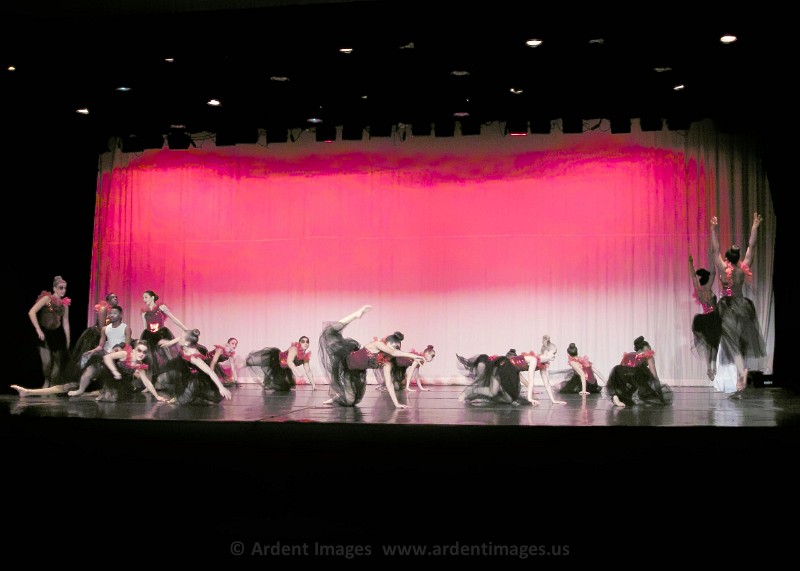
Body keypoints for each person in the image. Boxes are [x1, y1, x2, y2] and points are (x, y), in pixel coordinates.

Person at [11, 305, 132, 398]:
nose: (111, 315)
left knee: (98, 388)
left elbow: (125, 347)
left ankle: (29, 392)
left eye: (114, 313)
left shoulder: (123, 330)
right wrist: (92, 352)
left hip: (112, 365)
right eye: (110, 313)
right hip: (101, 364)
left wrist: (118, 350)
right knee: (71, 384)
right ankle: (28, 391)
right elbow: (101, 345)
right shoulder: (104, 330)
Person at [317, 305, 425, 408]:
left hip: (353, 372)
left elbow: (389, 384)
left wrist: (397, 404)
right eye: (393, 347)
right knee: (329, 332)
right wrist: (412, 355)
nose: (395, 350)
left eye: (397, 348)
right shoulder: (377, 345)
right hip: (345, 358)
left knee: (350, 401)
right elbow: (393, 352)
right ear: (386, 343)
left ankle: (337, 398)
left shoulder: (387, 363)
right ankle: (355, 315)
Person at [710, 213, 767, 398]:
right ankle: (740, 374)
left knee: (732, 342)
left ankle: (741, 373)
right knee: (738, 342)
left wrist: (713, 230)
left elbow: (715, 251)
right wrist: (754, 227)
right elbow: (752, 246)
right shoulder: (743, 268)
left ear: (728, 257)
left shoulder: (723, 268)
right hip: (742, 305)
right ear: (738, 257)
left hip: (728, 307)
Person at [458, 339, 566, 406]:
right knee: (492, 392)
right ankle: (471, 390)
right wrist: (530, 398)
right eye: (554, 353)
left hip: (511, 372)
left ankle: (486, 398)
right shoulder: (533, 360)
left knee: (508, 399)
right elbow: (531, 380)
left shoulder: (543, 364)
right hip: (504, 366)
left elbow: (547, 383)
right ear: (546, 352)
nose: (555, 356)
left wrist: (553, 400)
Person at [158, 329, 233, 405]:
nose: (180, 338)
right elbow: (179, 338)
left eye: (182, 338)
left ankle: (196, 398)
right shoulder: (186, 342)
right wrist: (169, 343)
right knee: (162, 379)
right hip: (186, 368)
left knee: (183, 400)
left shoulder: (194, 357)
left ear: (186, 343)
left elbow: (210, 371)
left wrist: (221, 387)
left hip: (195, 375)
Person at [28, 275, 71, 388]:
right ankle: (47, 380)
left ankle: (52, 385)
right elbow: (32, 312)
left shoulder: (65, 305)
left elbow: (65, 323)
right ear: (54, 288)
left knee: (57, 362)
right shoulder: (47, 299)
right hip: (45, 333)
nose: (63, 290)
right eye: (61, 288)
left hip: (58, 334)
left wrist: (68, 340)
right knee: (47, 363)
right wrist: (38, 329)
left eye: (65, 288)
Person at [606, 336, 673, 407]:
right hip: (637, 375)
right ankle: (633, 396)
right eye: (649, 347)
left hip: (621, 373)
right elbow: (654, 376)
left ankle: (616, 396)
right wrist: (660, 394)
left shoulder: (628, 355)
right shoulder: (648, 356)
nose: (650, 349)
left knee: (622, 374)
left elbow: (621, 371)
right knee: (641, 375)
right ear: (644, 348)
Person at [139, 289, 191, 376]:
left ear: (152, 297)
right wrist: (143, 342)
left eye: (146, 297)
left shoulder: (161, 308)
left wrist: (185, 328)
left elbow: (173, 318)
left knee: (166, 356)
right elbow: (145, 328)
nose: (144, 300)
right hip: (149, 337)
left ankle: (171, 376)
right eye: (143, 298)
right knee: (152, 359)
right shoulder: (144, 313)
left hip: (161, 335)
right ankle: (153, 378)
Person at [96, 339, 167, 403]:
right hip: (110, 373)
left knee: (122, 397)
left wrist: (157, 396)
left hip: (122, 380)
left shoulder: (139, 365)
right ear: (134, 350)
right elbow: (107, 357)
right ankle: (100, 393)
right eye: (139, 350)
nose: (141, 354)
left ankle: (102, 393)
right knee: (110, 397)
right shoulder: (125, 354)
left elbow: (146, 382)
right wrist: (115, 371)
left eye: (144, 352)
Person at [688, 252, 721, 381]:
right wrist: (691, 264)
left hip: (712, 319)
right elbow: (696, 277)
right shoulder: (703, 289)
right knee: (711, 345)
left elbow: (711, 273)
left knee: (713, 344)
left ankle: (712, 367)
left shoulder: (704, 289)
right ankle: (711, 368)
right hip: (710, 319)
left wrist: (692, 264)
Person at [245, 335, 317, 391]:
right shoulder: (294, 349)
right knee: (254, 362)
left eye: (307, 342)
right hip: (275, 360)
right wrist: (298, 372)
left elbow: (308, 371)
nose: (305, 343)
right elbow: (289, 361)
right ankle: (244, 363)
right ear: (299, 343)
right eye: (303, 341)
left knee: (282, 386)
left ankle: (267, 385)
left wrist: (313, 384)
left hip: (284, 368)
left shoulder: (305, 357)